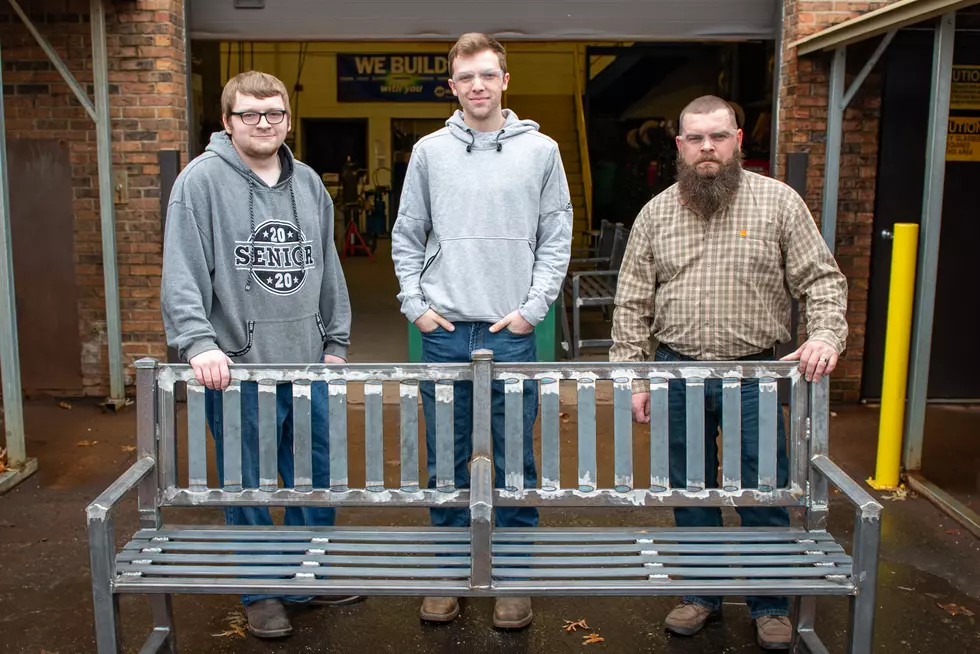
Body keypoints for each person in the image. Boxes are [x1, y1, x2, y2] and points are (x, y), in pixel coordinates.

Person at [610, 95, 848, 650]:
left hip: (756, 375)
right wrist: (634, 378)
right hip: (675, 371)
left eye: (717, 136)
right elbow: (631, 304)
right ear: (679, 147)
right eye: (695, 138)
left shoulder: (779, 204)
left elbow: (823, 280)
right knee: (691, 493)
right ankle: (702, 594)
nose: (707, 148)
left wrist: (823, 334)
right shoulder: (657, 212)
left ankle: (770, 604)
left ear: (739, 139)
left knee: (763, 492)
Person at [161, 70, 357, 639]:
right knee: (247, 481)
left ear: (288, 120)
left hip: (309, 362)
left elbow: (327, 266)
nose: (263, 123)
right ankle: (262, 590)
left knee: (315, 475)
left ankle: (307, 577)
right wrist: (199, 342)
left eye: (274, 113)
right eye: (250, 114)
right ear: (227, 122)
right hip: (240, 367)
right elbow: (182, 271)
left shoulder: (310, 183)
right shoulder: (200, 183)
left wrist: (335, 342)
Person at [391, 33, 573, 629]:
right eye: (466, 77)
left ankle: (512, 578)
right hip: (442, 330)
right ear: (452, 85)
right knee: (445, 455)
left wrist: (532, 309)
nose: (477, 86)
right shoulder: (428, 152)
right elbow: (407, 233)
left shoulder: (541, 151)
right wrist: (415, 304)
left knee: (514, 457)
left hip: (510, 331)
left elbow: (556, 237)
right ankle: (448, 573)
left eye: (487, 75)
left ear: (504, 80)